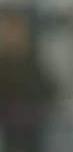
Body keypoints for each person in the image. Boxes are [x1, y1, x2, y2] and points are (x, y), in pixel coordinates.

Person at [0, 9, 57, 152]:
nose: (16, 35)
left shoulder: (32, 60)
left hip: (33, 125)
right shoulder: (5, 63)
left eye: (20, 31)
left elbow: (49, 89)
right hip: (11, 128)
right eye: (12, 31)